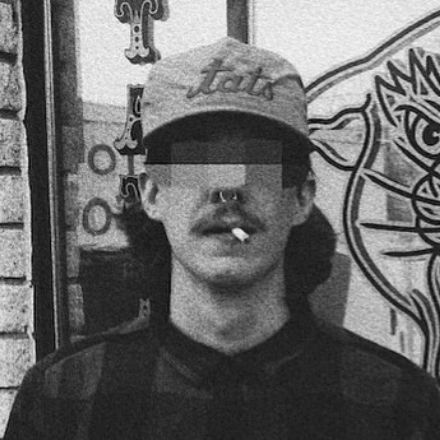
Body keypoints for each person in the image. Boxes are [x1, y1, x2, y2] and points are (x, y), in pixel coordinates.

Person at [4, 37, 440, 440]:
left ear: (302, 197)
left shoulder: (400, 405)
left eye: (257, 162)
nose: (228, 187)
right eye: (199, 162)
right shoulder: (64, 399)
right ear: (153, 195)